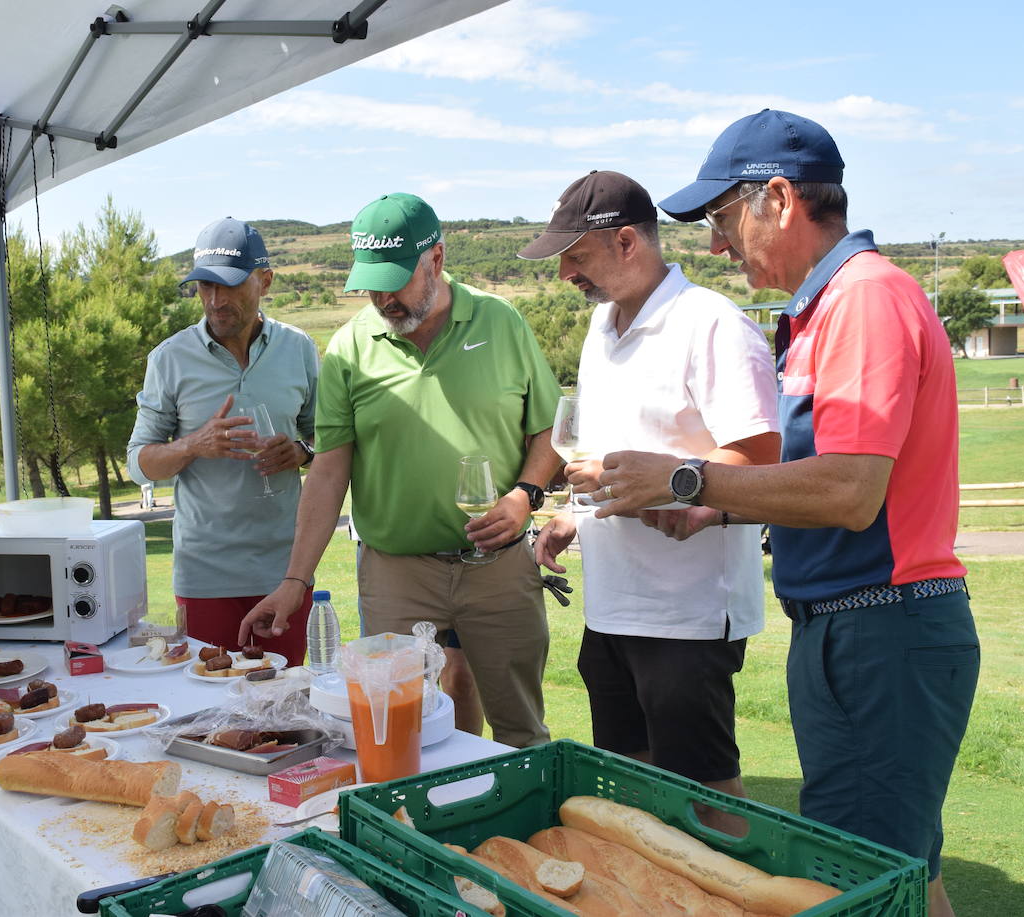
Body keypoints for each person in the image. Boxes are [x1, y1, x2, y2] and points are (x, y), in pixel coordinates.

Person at [590, 111, 979, 917]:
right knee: (905, 870)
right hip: (861, 625)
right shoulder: (829, 305)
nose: (716, 248)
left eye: (723, 220)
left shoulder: (863, 299)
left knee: (859, 879)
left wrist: (690, 481)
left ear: (778, 199)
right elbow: (816, 479)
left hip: (880, 625)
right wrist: (720, 512)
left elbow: (850, 490)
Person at [239, 192, 563, 748]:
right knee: (392, 730)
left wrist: (525, 495)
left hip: (500, 569)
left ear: (435, 259)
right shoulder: (347, 349)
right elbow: (328, 471)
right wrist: (296, 581)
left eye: (395, 279)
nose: (382, 297)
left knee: (520, 732)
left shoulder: (501, 321)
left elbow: (548, 429)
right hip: (395, 576)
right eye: (371, 282)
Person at [522, 171, 780, 832]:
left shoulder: (711, 324)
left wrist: (674, 483)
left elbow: (760, 458)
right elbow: (616, 458)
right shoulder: (602, 328)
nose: (564, 275)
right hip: (612, 606)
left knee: (706, 794)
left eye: (575, 256)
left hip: (685, 614)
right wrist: (571, 518)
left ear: (628, 242)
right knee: (629, 786)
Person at [127, 218, 319, 664]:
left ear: (265, 281)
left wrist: (301, 451)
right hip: (206, 575)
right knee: (209, 711)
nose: (214, 300)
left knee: (286, 705)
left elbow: (324, 436)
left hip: (286, 573)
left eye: (229, 285)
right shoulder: (169, 359)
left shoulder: (300, 349)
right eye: (204, 286)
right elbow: (139, 462)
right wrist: (192, 445)